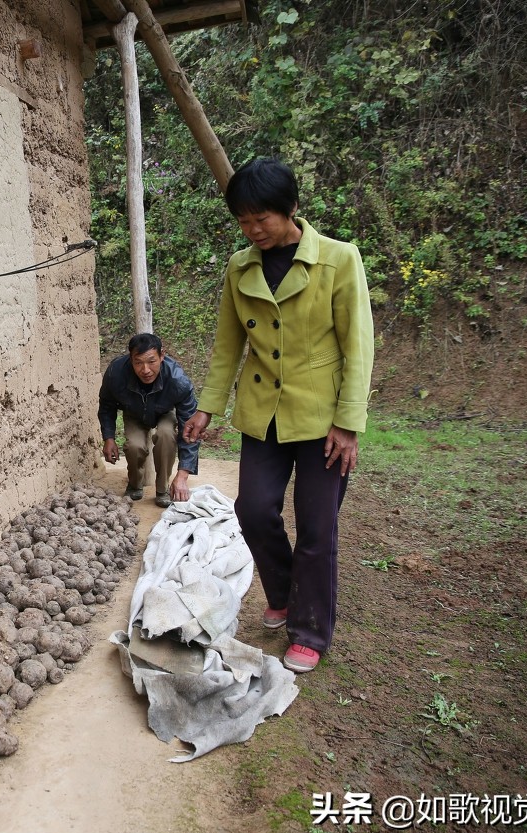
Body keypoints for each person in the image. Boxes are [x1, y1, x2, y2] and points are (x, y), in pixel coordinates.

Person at [182, 157, 374, 674]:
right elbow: (228, 345)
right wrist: (207, 407)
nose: (253, 230)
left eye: (261, 218)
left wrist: (348, 423)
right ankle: (287, 594)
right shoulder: (239, 267)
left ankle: (309, 629)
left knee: (317, 527)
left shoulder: (338, 260)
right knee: (253, 510)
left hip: (322, 420)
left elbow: (359, 347)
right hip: (262, 414)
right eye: (243, 221)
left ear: (291, 208)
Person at [98, 332, 200, 507]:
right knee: (134, 446)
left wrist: (183, 474)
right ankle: (135, 484)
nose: (145, 370)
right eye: (138, 362)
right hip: (134, 412)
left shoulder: (178, 381)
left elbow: (190, 429)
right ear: (130, 359)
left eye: (151, 361)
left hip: (165, 411)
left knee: (166, 435)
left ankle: (163, 488)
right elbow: (107, 405)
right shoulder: (116, 373)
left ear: (162, 356)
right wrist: (108, 438)